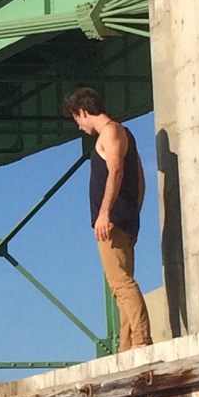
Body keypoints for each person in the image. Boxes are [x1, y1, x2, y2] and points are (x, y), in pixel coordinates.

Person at [62, 87, 152, 352]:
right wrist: (134, 212)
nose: (79, 127)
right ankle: (127, 347)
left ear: (83, 112)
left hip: (112, 221)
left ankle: (142, 340)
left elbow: (117, 170)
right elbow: (141, 179)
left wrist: (104, 213)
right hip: (126, 218)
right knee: (121, 287)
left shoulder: (110, 132)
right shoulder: (125, 134)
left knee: (120, 283)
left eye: (77, 119)